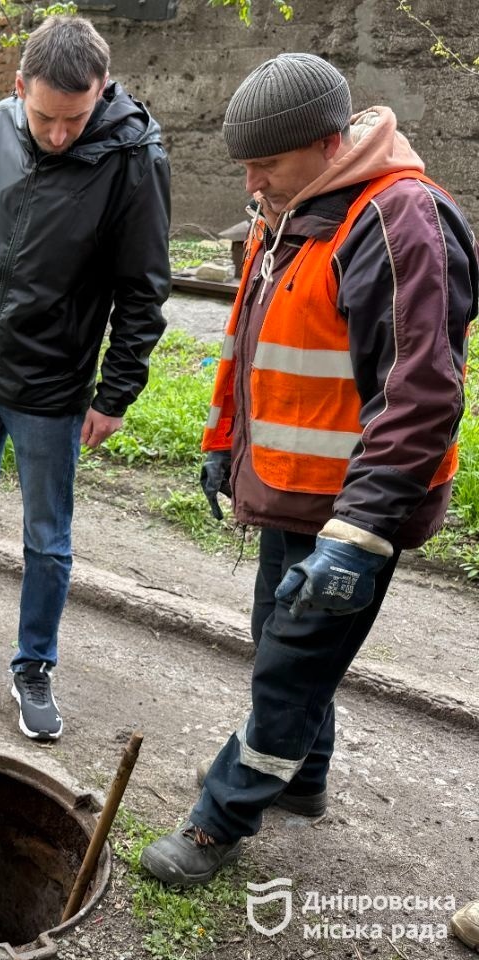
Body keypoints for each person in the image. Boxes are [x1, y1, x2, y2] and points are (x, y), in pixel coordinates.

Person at [141, 53, 476, 887]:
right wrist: (225, 446)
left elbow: (421, 395)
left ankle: (221, 819)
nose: (251, 183)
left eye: (267, 164)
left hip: (351, 513)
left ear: (330, 144)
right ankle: (303, 779)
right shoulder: (295, 207)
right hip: (291, 492)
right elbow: (261, 345)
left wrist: (357, 538)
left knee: (289, 670)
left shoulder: (399, 222)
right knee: (282, 646)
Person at [0, 14, 171, 742]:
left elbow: (142, 291)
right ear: (20, 89)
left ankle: (34, 665)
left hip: (53, 386)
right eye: (45, 117)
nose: (59, 134)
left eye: (75, 117)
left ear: (102, 90)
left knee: (47, 539)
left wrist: (116, 392)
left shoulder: (134, 158)